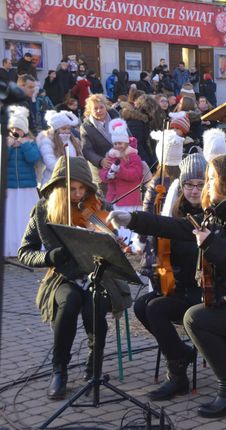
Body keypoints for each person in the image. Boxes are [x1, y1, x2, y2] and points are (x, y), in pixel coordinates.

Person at [108, 154, 226, 418]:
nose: (206, 185)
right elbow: (179, 227)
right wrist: (133, 220)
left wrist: (211, 245)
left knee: (196, 318)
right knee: (198, 314)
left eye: (211, 179)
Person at [17, 157, 110, 399]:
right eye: (73, 189)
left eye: (83, 189)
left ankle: (94, 366)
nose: (79, 195)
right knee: (68, 304)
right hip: (62, 277)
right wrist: (50, 257)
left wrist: (108, 237)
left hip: (99, 275)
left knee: (94, 306)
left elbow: (114, 238)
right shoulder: (43, 209)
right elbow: (24, 253)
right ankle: (59, 370)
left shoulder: (97, 204)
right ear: (60, 188)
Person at [132, 153, 206, 400]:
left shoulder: (211, 215)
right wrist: (155, 263)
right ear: (182, 186)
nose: (194, 191)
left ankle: (177, 375)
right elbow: (163, 253)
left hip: (201, 289)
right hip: (177, 285)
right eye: (189, 185)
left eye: (200, 184)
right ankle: (180, 352)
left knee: (156, 309)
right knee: (141, 305)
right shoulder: (175, 212)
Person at [5, 106, 41, 257]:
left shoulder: (30, 143)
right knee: (11, 218)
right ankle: (10, 247)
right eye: (13, 128)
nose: (15, 131)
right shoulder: (5, 142)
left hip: (27, 188)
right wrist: (7, 147)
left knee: (27, 217)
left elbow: (33, 158)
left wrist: (24, 144)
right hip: (10, 187)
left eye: (18, 128)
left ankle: (29, 246)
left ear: (24, 129)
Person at [80, 94, 121, 187]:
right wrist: (101, 161)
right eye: (95, 108)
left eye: (101, 107)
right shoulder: (86, 127)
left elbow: (128, 136)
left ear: (105, 107)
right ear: (90, 110)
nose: (99, 110)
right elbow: (87, 150)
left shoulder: (115, 117)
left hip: (121, 165)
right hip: (102, 171)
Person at [37, 110, 82, 184]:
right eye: (63, 129)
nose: (67, 131)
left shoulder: (73, 141)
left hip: (73, 178)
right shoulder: (47, 141)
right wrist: (67, 171)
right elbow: (50, 162)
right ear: (56, 129)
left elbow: (79, 156)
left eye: (68, 129)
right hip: (54, 180)